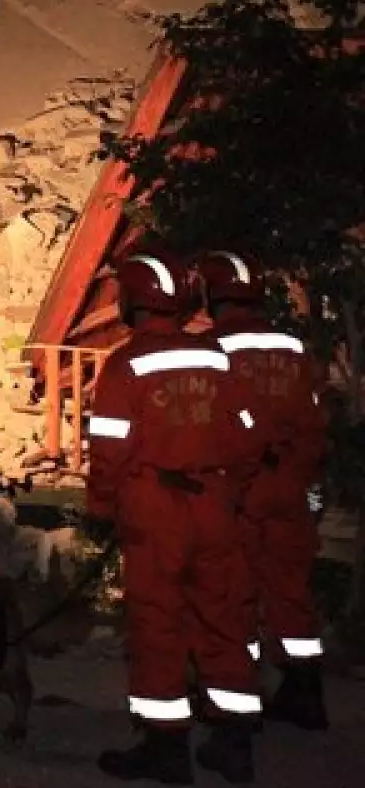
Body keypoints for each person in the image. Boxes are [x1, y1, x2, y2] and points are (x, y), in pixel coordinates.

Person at [87, 251, 262, 784]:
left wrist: (101, 508)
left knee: (157, 625)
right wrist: (229, 487)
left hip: (156, 509)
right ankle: (233, 745)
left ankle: (166, 750)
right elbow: (250, 434)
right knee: (224, 619)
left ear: (133, 303)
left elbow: (110, 448)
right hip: (215, 504)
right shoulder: (216, 358)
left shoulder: (125, 364)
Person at [199, 250, 329, 731]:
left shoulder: (210, 350)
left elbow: (208, 428)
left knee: (233, 597)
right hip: (291, 490)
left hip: (238, 492)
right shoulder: (293, 349)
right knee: (291, 593)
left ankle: (235, 704)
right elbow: (314, 420)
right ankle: (306, 694)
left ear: (212, 296)